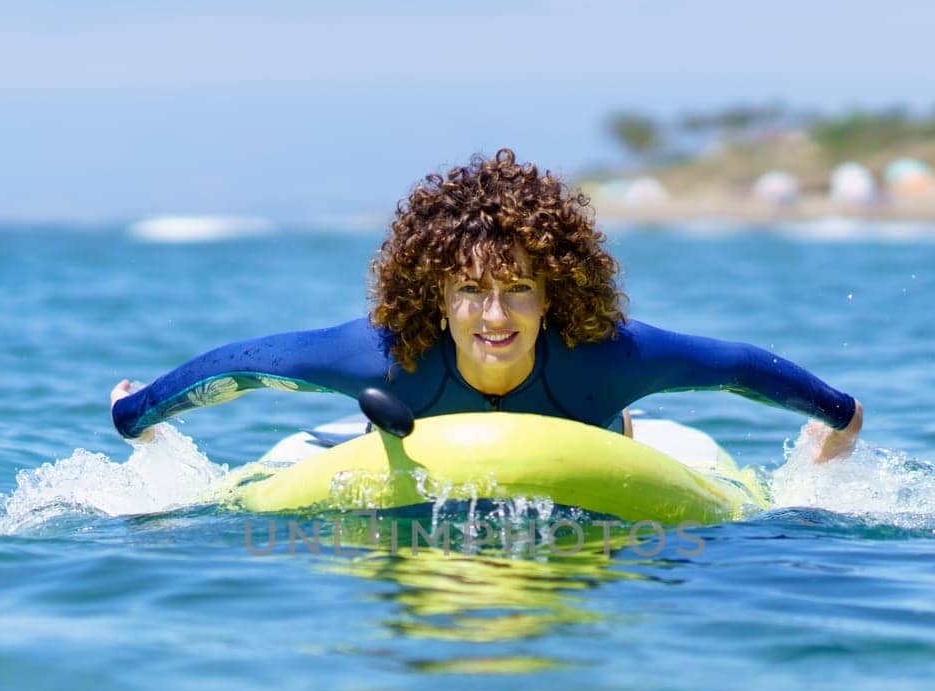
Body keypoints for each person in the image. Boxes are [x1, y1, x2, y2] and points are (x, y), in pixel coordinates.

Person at [111, 149, 863, 462]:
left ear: (553, 295)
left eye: (518, 290)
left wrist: (837, 414)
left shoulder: (606, 360)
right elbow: (246, 368)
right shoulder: (383, 357)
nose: (494, 316)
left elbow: (732, 367)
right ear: (435, 298)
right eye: (469, 291)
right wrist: (136, 413)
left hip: (597, 440)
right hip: (414, 432)